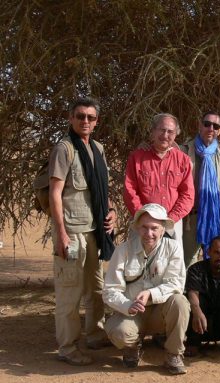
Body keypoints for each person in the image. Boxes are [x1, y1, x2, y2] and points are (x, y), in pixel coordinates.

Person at [48, 97, 116, 366]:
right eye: (80, 116)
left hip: (94, 231)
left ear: (96, 121)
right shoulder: (64, 149)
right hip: (72, 232)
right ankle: (67, 347)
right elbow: (55, 193)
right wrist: (61, 234)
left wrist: (112, 212)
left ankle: (95, 335)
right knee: (70, 292)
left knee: (96, 288)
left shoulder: (97, 148)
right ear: (70, 118)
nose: (85, 121)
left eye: (90, 117)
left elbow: (102, 190)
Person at [103, 203, 190, 375]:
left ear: (163, 229)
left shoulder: (173, 248)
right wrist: (128, 305)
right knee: (119, 332)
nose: (149, 234)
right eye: (144, 227)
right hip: (132, 312)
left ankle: (173, 354)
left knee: (180, 302)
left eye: (154, 228)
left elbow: (176, 284)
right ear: (136, 228)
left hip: (160, 311)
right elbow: (110, 291)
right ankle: (132, 346)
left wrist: (151, 293)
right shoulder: (123, 251)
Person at [123, 113, 195, 252]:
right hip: (142, 224)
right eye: (162, 130)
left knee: (170, 267)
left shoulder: (183, 160)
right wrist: (144, 217)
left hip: (171, 225)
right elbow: (129, 190)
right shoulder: (137, 157)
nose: (165, 135)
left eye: (170, 132)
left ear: (175, 135)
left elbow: (187, 195)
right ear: (153, 131)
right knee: (137, 267)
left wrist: (169, 219)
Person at [180, 111, 220, 267]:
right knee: (187, 263)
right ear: (199, 126)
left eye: (216, 126)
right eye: (207, 124)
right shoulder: (183, 152)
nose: (211, 128)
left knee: (216, 263)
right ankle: (189, 292)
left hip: (215, 218)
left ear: (219, 131)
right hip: (191, 218)